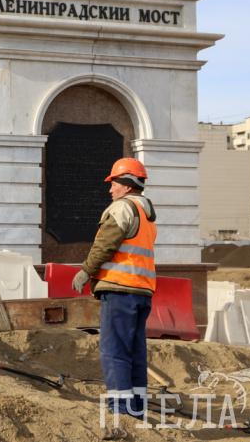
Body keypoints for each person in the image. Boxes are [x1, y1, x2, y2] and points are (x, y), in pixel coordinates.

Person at [71, 157, 156, 418]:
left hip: (120, 289)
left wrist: (86, 271)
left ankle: (120, 408)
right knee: (135, 353)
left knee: (115, 351)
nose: (110, 190)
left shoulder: (122, 208)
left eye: (114, 183)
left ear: (127, 185)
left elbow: (105, 245)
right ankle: (136, 407)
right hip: (142, 291)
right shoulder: (145, 213)